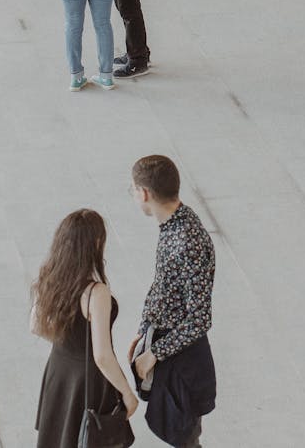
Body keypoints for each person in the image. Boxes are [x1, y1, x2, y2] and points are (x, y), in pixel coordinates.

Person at [128, 155, 217, 448]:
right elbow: (164, 286)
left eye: (133, 190)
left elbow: (199, 319)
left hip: (183, 360)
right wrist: (144, 332)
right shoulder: (173, 224)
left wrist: (155, 353)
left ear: (144, 193)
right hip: (166, 344)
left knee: (185, 438)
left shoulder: (186, 240)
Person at [32, 209, 139, 448]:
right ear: (97, 243)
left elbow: (35, 327)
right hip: (88, 381)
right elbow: (101, 356)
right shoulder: (95, 293)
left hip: (58, 373)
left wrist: (68, 345)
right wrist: (127, 393)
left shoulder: (49, 277)